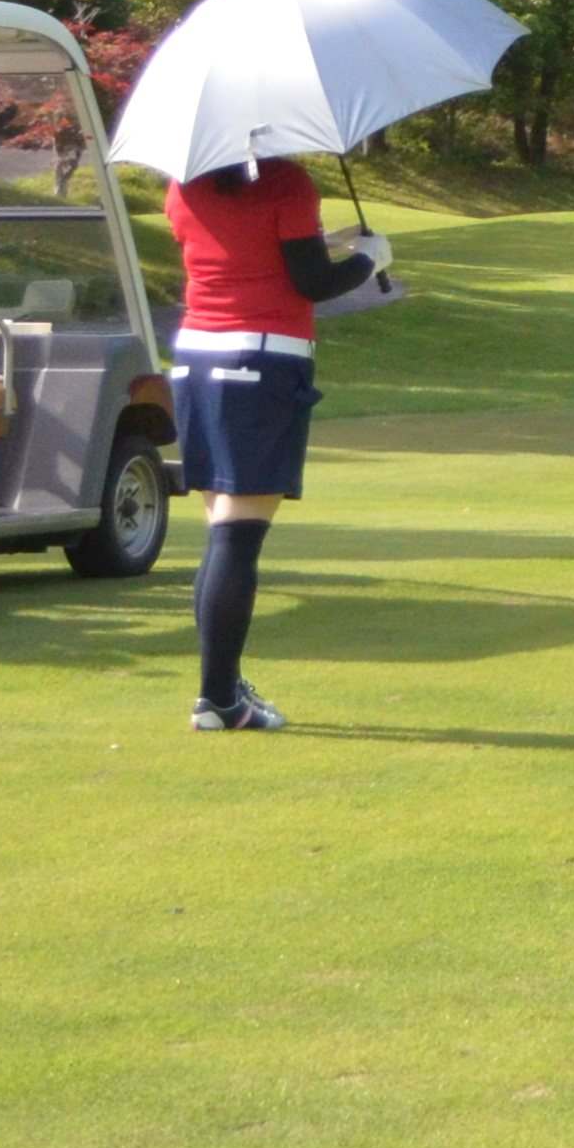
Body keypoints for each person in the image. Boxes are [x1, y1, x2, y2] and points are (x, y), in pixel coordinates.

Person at [161, 153, 388, 733]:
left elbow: (247, 250)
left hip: (195, 358)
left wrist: (330, 239)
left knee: (223, 534)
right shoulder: (287, 182)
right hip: (260, 359)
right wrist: (368, 259)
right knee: (239, 539)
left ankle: (221, 689)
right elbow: (311, 282)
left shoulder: (184, 186)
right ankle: (218, 700)